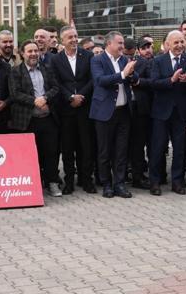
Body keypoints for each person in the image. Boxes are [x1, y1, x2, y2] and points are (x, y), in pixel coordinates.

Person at [9, 41, 63, 197]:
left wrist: (45, 98)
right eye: (29, 51)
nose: (33, 54)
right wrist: (35, 101)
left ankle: (52, 182)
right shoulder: (15, 72)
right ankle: (34, 184)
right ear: (22, 53)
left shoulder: (47, 68)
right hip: (28, 120)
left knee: (51, 152)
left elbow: (56, 88)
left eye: (36, 51)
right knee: (31, 155)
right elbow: (15, 93)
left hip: (48, 118)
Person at [149, 30, 186, 195]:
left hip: (181, 113)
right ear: (168, 44)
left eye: (182, 42)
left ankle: (177, 182)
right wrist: (171, 80)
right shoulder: (158, 60)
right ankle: (154, 182)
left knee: (179, 149)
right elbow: (154, 83)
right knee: (158, 148)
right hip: (161, 112)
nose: (180, 45)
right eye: (176, 42)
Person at [90, 31, 136, 198]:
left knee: (121, 151)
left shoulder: (125, 60)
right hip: (104, 113)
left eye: (123, 43)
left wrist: (131, 73)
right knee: (104, 151)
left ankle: (119, 183)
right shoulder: (97, 60)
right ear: (109, 44)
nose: (123, 47)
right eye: (120, 43)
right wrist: (124, 74)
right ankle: (106, 184)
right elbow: (101, 81)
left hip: (123, 112)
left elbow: (133, 78)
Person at [50, 26, 96, 194]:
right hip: (66, 109)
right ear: (62, 40)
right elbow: (56, 83)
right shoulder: (55, 60)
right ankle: (69, 181)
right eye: (70, 37)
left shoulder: (88, 56)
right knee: (68, 148)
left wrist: (80, 96)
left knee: (86, 146)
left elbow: (93, 79)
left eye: (75, 36)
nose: (74, 40)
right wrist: (70, 97)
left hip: (85, 107)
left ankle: (86, 180)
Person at [128, 37, 154, 190]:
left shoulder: (150, 62)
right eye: (144, 48)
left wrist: (137, 81)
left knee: (143, 145)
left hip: (147, 109)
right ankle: (133, 175)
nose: (147, 50)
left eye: (149, 47)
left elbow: (153, 81)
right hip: (132, 109)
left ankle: (141, 175)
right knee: (133, 145)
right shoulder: (130, 62)